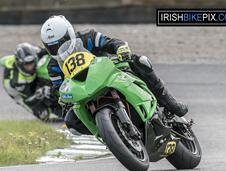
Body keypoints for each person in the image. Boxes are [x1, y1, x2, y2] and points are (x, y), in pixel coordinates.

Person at [40, 15, 188, 134]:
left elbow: (112, 43)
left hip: (110, 72)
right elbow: (61, 91)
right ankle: (111, 133)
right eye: (51, 47)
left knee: (140, 61)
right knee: (71, 121)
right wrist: (65, 101)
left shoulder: (88, 37)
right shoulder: (53, 68)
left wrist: (121, 48)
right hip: (85, 92)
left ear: (70, 34)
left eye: (61, 43)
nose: (58, 49)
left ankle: (169, 101)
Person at [0, 42, 62, 122]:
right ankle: (55, 107)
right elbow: (28, 100)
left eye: (31, 64)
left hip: (30, 78)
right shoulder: (18, 82)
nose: (30, 67)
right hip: (22, 95)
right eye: (26, 65)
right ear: (19, 63)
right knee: (44, 115)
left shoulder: (35, 53)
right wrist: (41, 92)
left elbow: (47, 49)